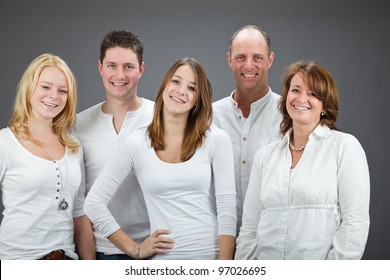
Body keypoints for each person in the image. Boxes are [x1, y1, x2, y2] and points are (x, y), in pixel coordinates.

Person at [84, 57, 237, 260]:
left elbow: (227, 210)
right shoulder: (136, 143)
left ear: (198, 99)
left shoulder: (216, 139)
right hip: (162, 261)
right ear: (165, 84)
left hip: (210, 256)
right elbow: (93, 203)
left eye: (192, 88)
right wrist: (134, 249)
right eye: (176, 81)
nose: (181, 90)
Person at [235, 61, 370, 260]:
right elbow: (249, 229)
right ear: (286, 97)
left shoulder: (344, 147)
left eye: (313, 93)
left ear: (325, 104)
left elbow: (354, 223)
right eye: (295, 90)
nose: (301, 98)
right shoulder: (265, 156)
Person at [73, 30, 154, 260]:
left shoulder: (162, 118)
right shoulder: (79, 125)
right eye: (112, 65)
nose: (120, 75)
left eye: (128, 66)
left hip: (156, 249)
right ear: (100, 68)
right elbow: (79, 202)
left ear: (141, 69)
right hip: (100, 250)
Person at [0, 53, 85, 259]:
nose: (54, 96)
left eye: (62, 91)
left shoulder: (74, 147)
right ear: (29, 88)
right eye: (46, 87)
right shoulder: (4, 143)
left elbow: (80, 213)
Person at [212, 25, 281, 231]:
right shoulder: (209, 116)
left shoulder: (289, 115)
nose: (249, 65)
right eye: (241, 57)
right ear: (229, 59)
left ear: (270, 59)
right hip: (218, 240)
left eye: (257, 58)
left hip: (270, 241)